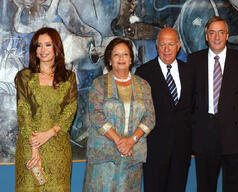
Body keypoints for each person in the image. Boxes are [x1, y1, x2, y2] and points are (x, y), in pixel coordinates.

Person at [188, 16, 238, 192]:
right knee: (205, 188)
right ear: (206, 36)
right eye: (212, 33)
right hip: (205, 136)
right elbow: (189, 102)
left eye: (221, 32)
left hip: (235, 136)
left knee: (234, 187)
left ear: (227, 35)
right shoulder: (194, 60)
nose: (217, 37)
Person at [83, 37, 155, 192]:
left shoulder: (143, 85)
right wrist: (119, 141)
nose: (121, 58)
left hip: (132, 156)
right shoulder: (99, 84)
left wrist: (131, 140)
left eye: (125, 54)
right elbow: (96, 116)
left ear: (131, 59)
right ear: (109, 60)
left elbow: (150, 118)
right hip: (104, 157)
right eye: (116, 55)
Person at [15, 27, 77, 191]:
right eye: (39, 45)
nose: (43, 50)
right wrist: (34, 146)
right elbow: (23, 110)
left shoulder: (69, 78)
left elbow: (70, 110)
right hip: (29, 145)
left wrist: (49, 133)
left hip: (58, 146)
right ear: (34, 51)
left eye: (48, 45)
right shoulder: (24, 76)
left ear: (57, 49)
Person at [135, 27, 193, 192]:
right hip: (155, 149)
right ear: (156, 46)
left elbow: (193, 108)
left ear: (178, 45)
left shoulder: (189, 71)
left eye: (171, 44)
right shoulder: (143, 73)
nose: (167, 49)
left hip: (182, 149)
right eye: (162, 44)